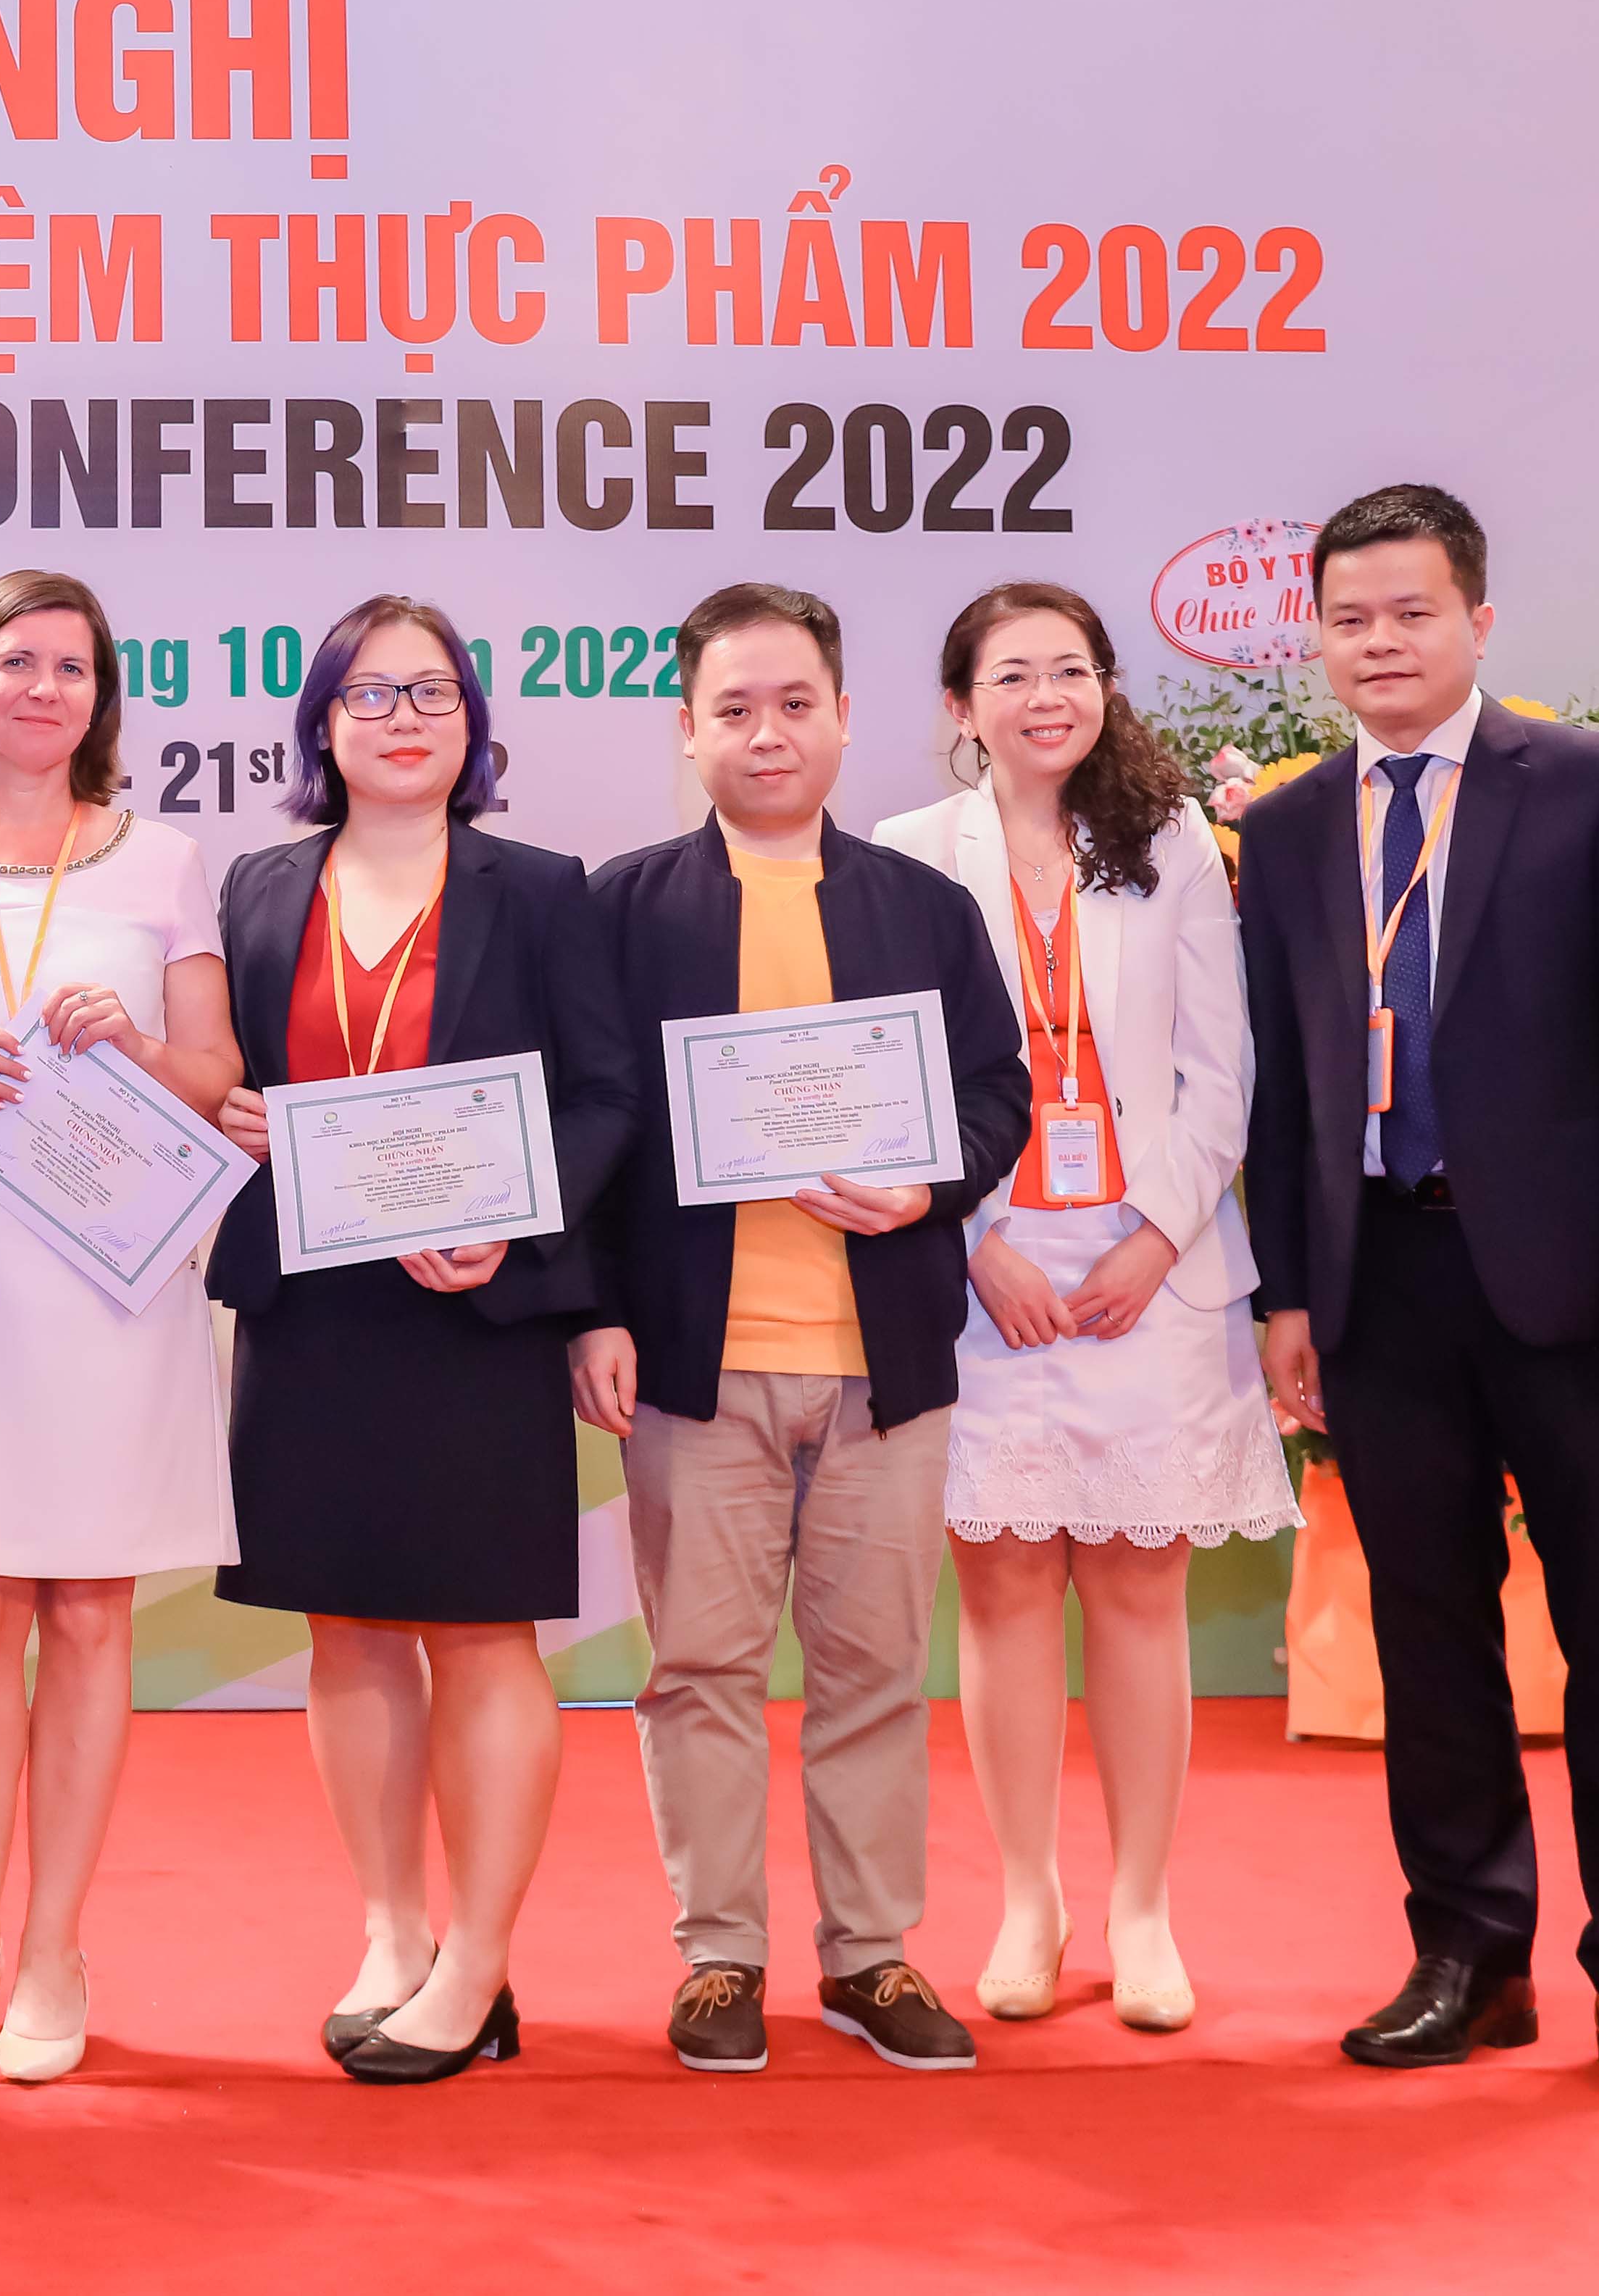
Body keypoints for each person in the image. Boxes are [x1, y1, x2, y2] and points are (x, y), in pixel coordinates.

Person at [1237, 484, 1599, 2120]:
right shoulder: (1299, 823)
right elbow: (1286, 1085)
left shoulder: (1593, 785)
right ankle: (1465, 1952)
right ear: (1313, 635)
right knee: (1425, 1634)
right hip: (1378, 1286)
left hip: (1573, 1287)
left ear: (1475, 620)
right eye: (1346, 620)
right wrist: (1286, 1294)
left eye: (1408, 614)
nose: (1376, 645)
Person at [573, 582, 1032, 2078]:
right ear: (683, 732)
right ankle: (717, 1955)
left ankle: (869, 1954)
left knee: (872, 1671)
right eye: (731, 710)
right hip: (693, 1364)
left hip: (882, 1364)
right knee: (696, 1669)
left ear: (842, 718)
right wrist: (587, 1311)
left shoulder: (919, 905)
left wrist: (928, 1185)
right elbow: (583, 1130)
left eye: (792, 705)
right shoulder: (619, 909)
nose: (764, 735)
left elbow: (993, 1096)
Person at [206, 593, 635, 2089]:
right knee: (345, 1629)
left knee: (481, 1633)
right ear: (320, 723)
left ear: (472, 725)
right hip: (315, 1311)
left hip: (474, 1310)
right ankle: (390, 1929)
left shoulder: (537, 888)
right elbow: (234, 1085)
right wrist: (221, 1109)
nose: (401, 717)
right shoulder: (259, 886)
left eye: (431, 693)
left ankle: (479, 1958)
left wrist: (519, 1232)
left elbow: (602, 1098)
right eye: (369, 694)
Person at [871, 580, 1290, 2036]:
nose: (1043, 696)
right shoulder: (907, 855)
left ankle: (1140, 1906)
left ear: (1103, 688)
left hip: (1144, 1274)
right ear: (957, 705)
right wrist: (973, 1235)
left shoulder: (1162, 843)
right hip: (985, 1276)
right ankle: (1027, 1898)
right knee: (995, 1591)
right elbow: (898, 1075)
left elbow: (1216, 1068)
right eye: (1010, 674)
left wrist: (1157, 1237)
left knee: (1135, 1591)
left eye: (1068, 670)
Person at [0, 568, 245, 2085]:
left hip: (106, 1276)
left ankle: (55, 1942)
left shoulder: (163, 859)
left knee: (85, 1611)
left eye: (71, 666)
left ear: (100, 697)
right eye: (14, 659)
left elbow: (212, 1073)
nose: (41, 688)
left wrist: (135, 1043)